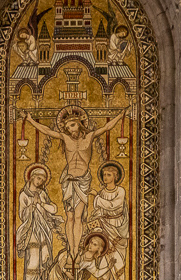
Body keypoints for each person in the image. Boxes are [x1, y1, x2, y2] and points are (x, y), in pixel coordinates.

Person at [24, 106, 128, 253]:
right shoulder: (65, 138)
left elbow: (106, 127)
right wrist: (30, 120)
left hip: (83, 181)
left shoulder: (90, 136)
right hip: (68, 182)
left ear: (79, 123)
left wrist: (120, 115)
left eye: (72, 125)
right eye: (67, 128)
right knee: (70, 218)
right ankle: (70, 250)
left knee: (78, 217)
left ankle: (76, 252)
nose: (70, 130)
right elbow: (47, 131)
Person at [15, 164, 64, 280]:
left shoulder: (42, 194)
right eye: (38, 178)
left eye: (42, 180)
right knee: (33, 260)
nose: (40, 181)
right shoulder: (24, 194)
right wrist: (32, 205)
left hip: (44, 231)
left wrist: (40, 203)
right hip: (31, 230)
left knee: (45, 258)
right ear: (31, 177)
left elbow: (53, 209)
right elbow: (22, 214)